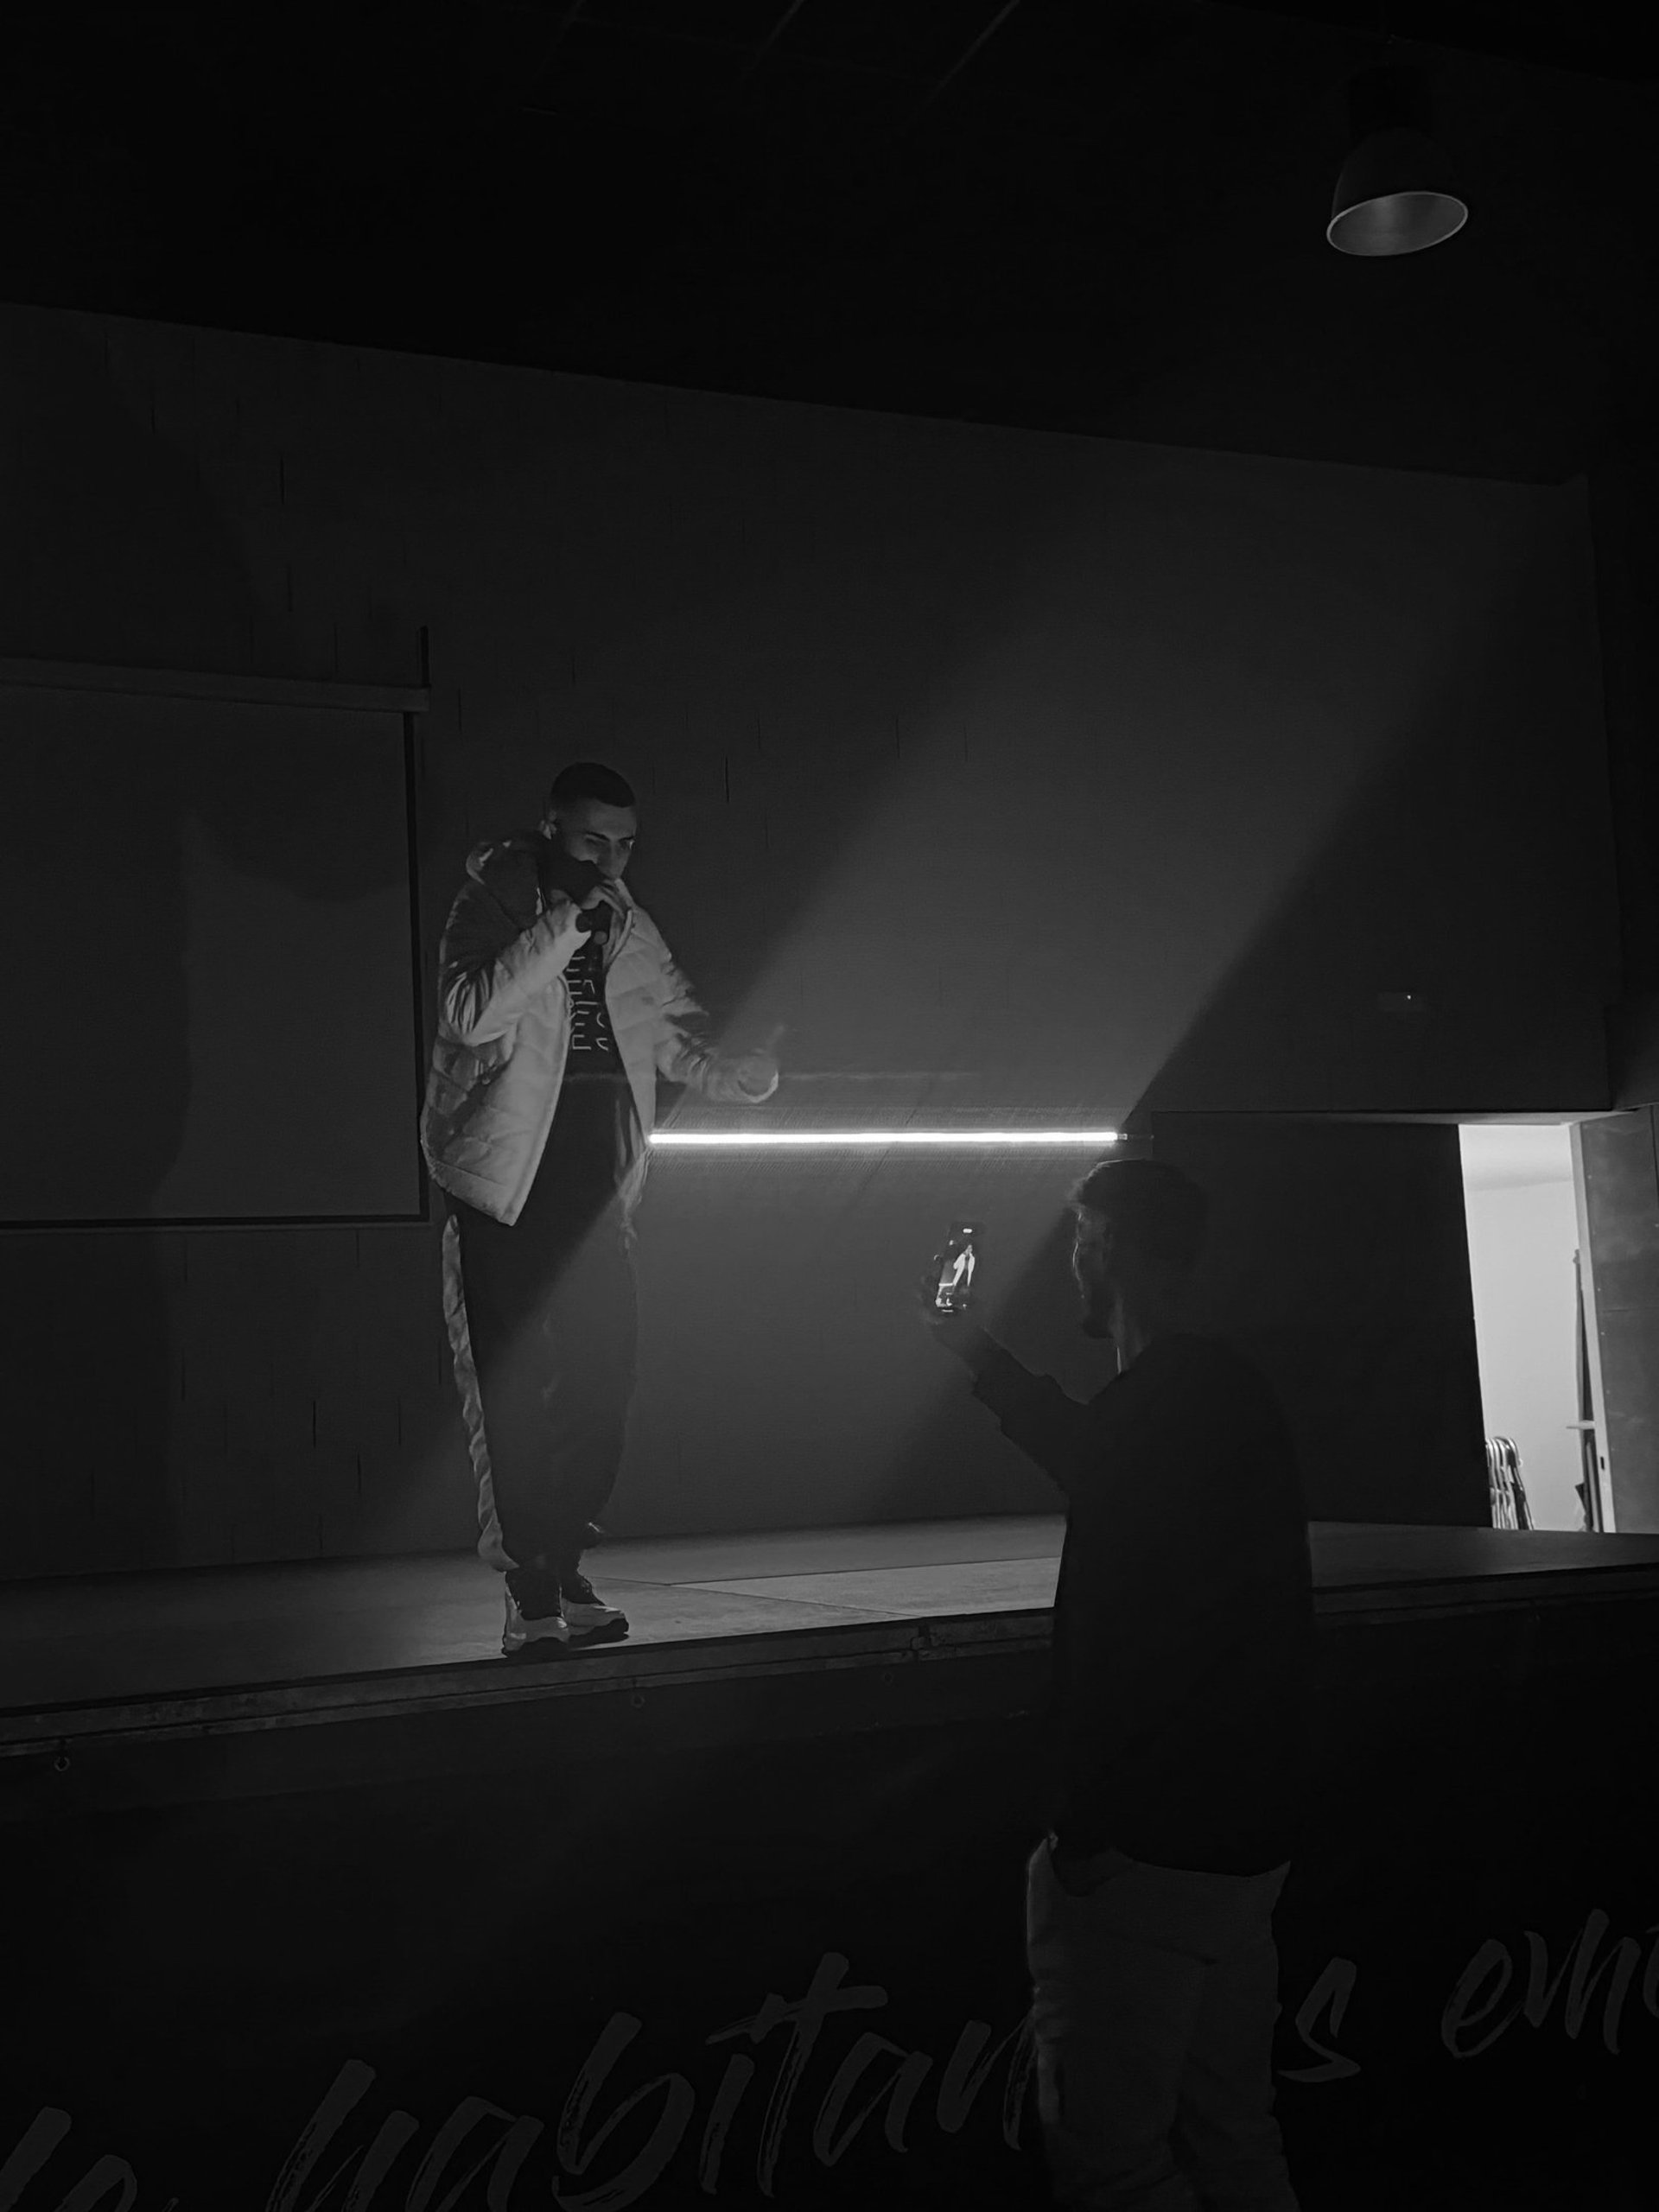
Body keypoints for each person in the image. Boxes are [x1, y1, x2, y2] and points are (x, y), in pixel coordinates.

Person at [919, 1156, 1313, 2212]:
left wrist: (1086, 1830)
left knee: (1113, 2162)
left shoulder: (1166, 1403)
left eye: (1085, 1241)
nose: (1077, 1266)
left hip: (1143, 1847)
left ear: (1121, 1248)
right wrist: (978, 1355)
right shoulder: (1219, 1396)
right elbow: (1100, 1458)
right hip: (1240, 1842)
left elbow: (1130, 1626)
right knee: (1236, 2133)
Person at [423, 761, 779, 1657]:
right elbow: (471, 1013)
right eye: (593, 841)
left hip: (594, 1189)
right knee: (510, 1393)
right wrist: (563, 923)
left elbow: (669, 1025)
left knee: (602, 1380)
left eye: (624, 843)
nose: (611, 858)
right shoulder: (496, 900)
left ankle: (567, 1558)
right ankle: (529, 1584)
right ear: (551, 830)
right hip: (506, 1186)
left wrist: (737, 1071)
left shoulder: (629, 921)